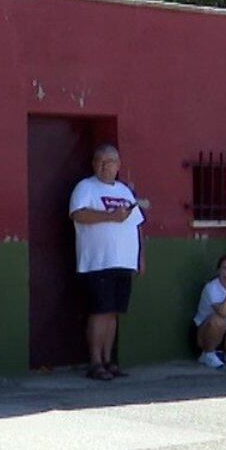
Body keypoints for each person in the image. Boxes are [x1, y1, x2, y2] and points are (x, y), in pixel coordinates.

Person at [68, 144, 145, 381]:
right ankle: (95, 362)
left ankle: (108, 359)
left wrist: (141, 257)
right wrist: (110, 216)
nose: (104, 165)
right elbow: (78, 214)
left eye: (109, 161)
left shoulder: (124, 191)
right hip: (98, 262)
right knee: (99, 312)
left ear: (118, 165)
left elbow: (137, 225)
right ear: (94, 164)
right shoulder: (85, 187)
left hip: (124, 261)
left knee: (113, 313)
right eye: (99, 161)